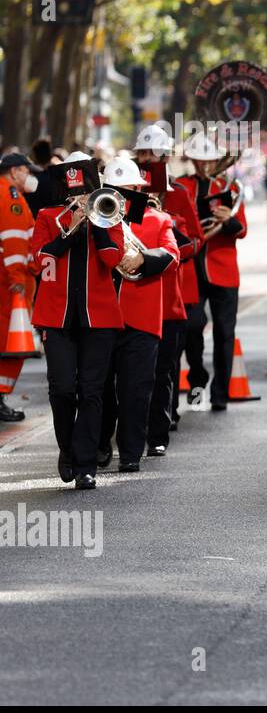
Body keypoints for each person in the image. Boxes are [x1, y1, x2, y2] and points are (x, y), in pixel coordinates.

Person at [31, 154, 132, 489]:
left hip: (98, 318)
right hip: (56, 318)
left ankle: (86, 463)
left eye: (84, 193)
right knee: (62, 389)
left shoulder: (109, 215)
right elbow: (39, 262)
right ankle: (67, 450)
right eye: (74, 193)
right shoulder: (48, 217)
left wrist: (97, 225)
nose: (79, 199)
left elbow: (112, 259)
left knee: (92, 391)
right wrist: (71, 229)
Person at [95, 157, 179, 472]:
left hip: (141, 317)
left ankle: (130, 453)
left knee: (136, 389)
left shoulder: (157, 220)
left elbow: (172, 254)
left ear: (138, 189)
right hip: (101, 317)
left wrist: (143, 259)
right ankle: (101, 445)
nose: (120, 195)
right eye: (113, 189)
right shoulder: (98, 217)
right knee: (99, 388)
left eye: (126, 189)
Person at [132, 125, 202, 456]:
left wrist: (171, 243)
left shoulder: (180, 195)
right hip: (133, 294)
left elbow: (197, 241)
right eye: (142, 154)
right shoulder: (125, 191)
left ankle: (160, 429)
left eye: (152, 154)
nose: (146, 160)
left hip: (169, 291)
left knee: (165, 369)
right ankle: (133, 427)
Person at [176, 133, 247, 411]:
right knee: (192, 327)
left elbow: (241, 230)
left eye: (209, 160)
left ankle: (220, 393)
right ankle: (197, 378)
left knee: (225, 334)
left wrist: (227, 221)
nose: (205, 165)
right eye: (200, 159)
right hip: (192, 271)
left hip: (223, 270)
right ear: (193, 160)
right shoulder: (181, 186)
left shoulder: (227, 187)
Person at [0, 150, 38, 422]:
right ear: (14, 172)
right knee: (10, 345)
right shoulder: (11, 198)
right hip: (11, 286)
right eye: (26, 171)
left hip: (9, 282)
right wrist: (17, 282)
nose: (29, 176)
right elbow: (13, 241)